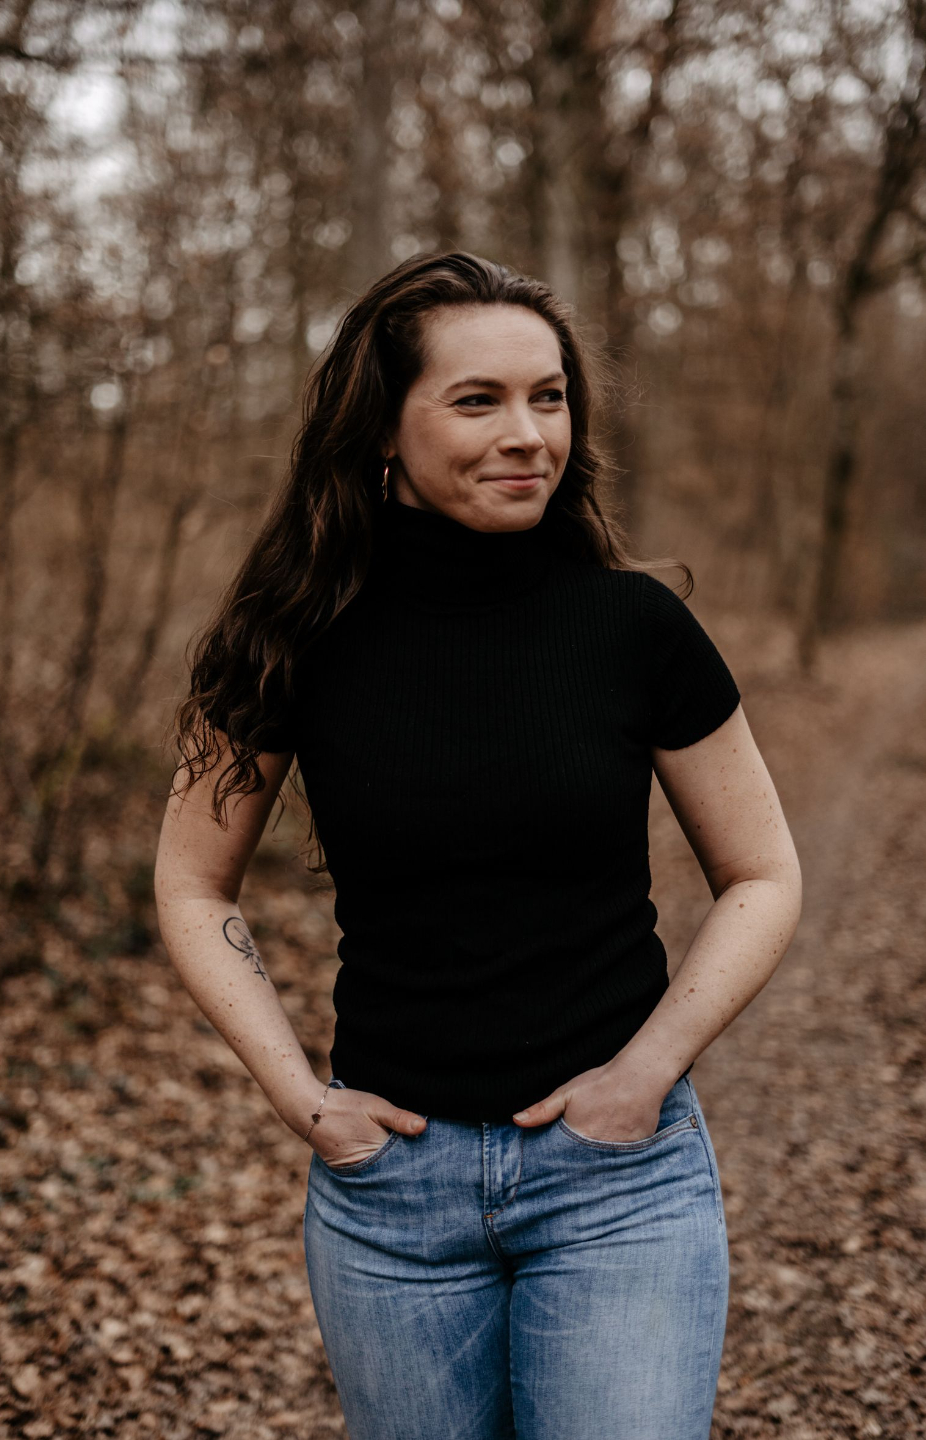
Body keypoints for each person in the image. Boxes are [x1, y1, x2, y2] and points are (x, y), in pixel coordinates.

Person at [155, 250, 802, 1440]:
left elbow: (762, 873)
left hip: (618, 1183)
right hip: (389, 1202)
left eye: (548, 398)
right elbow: (194, 887)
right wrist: (303, 1100)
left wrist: (646, 1075)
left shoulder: (635, 627)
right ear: (381, 429)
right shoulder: (288, 636)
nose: (527, 435)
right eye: (477, 400)